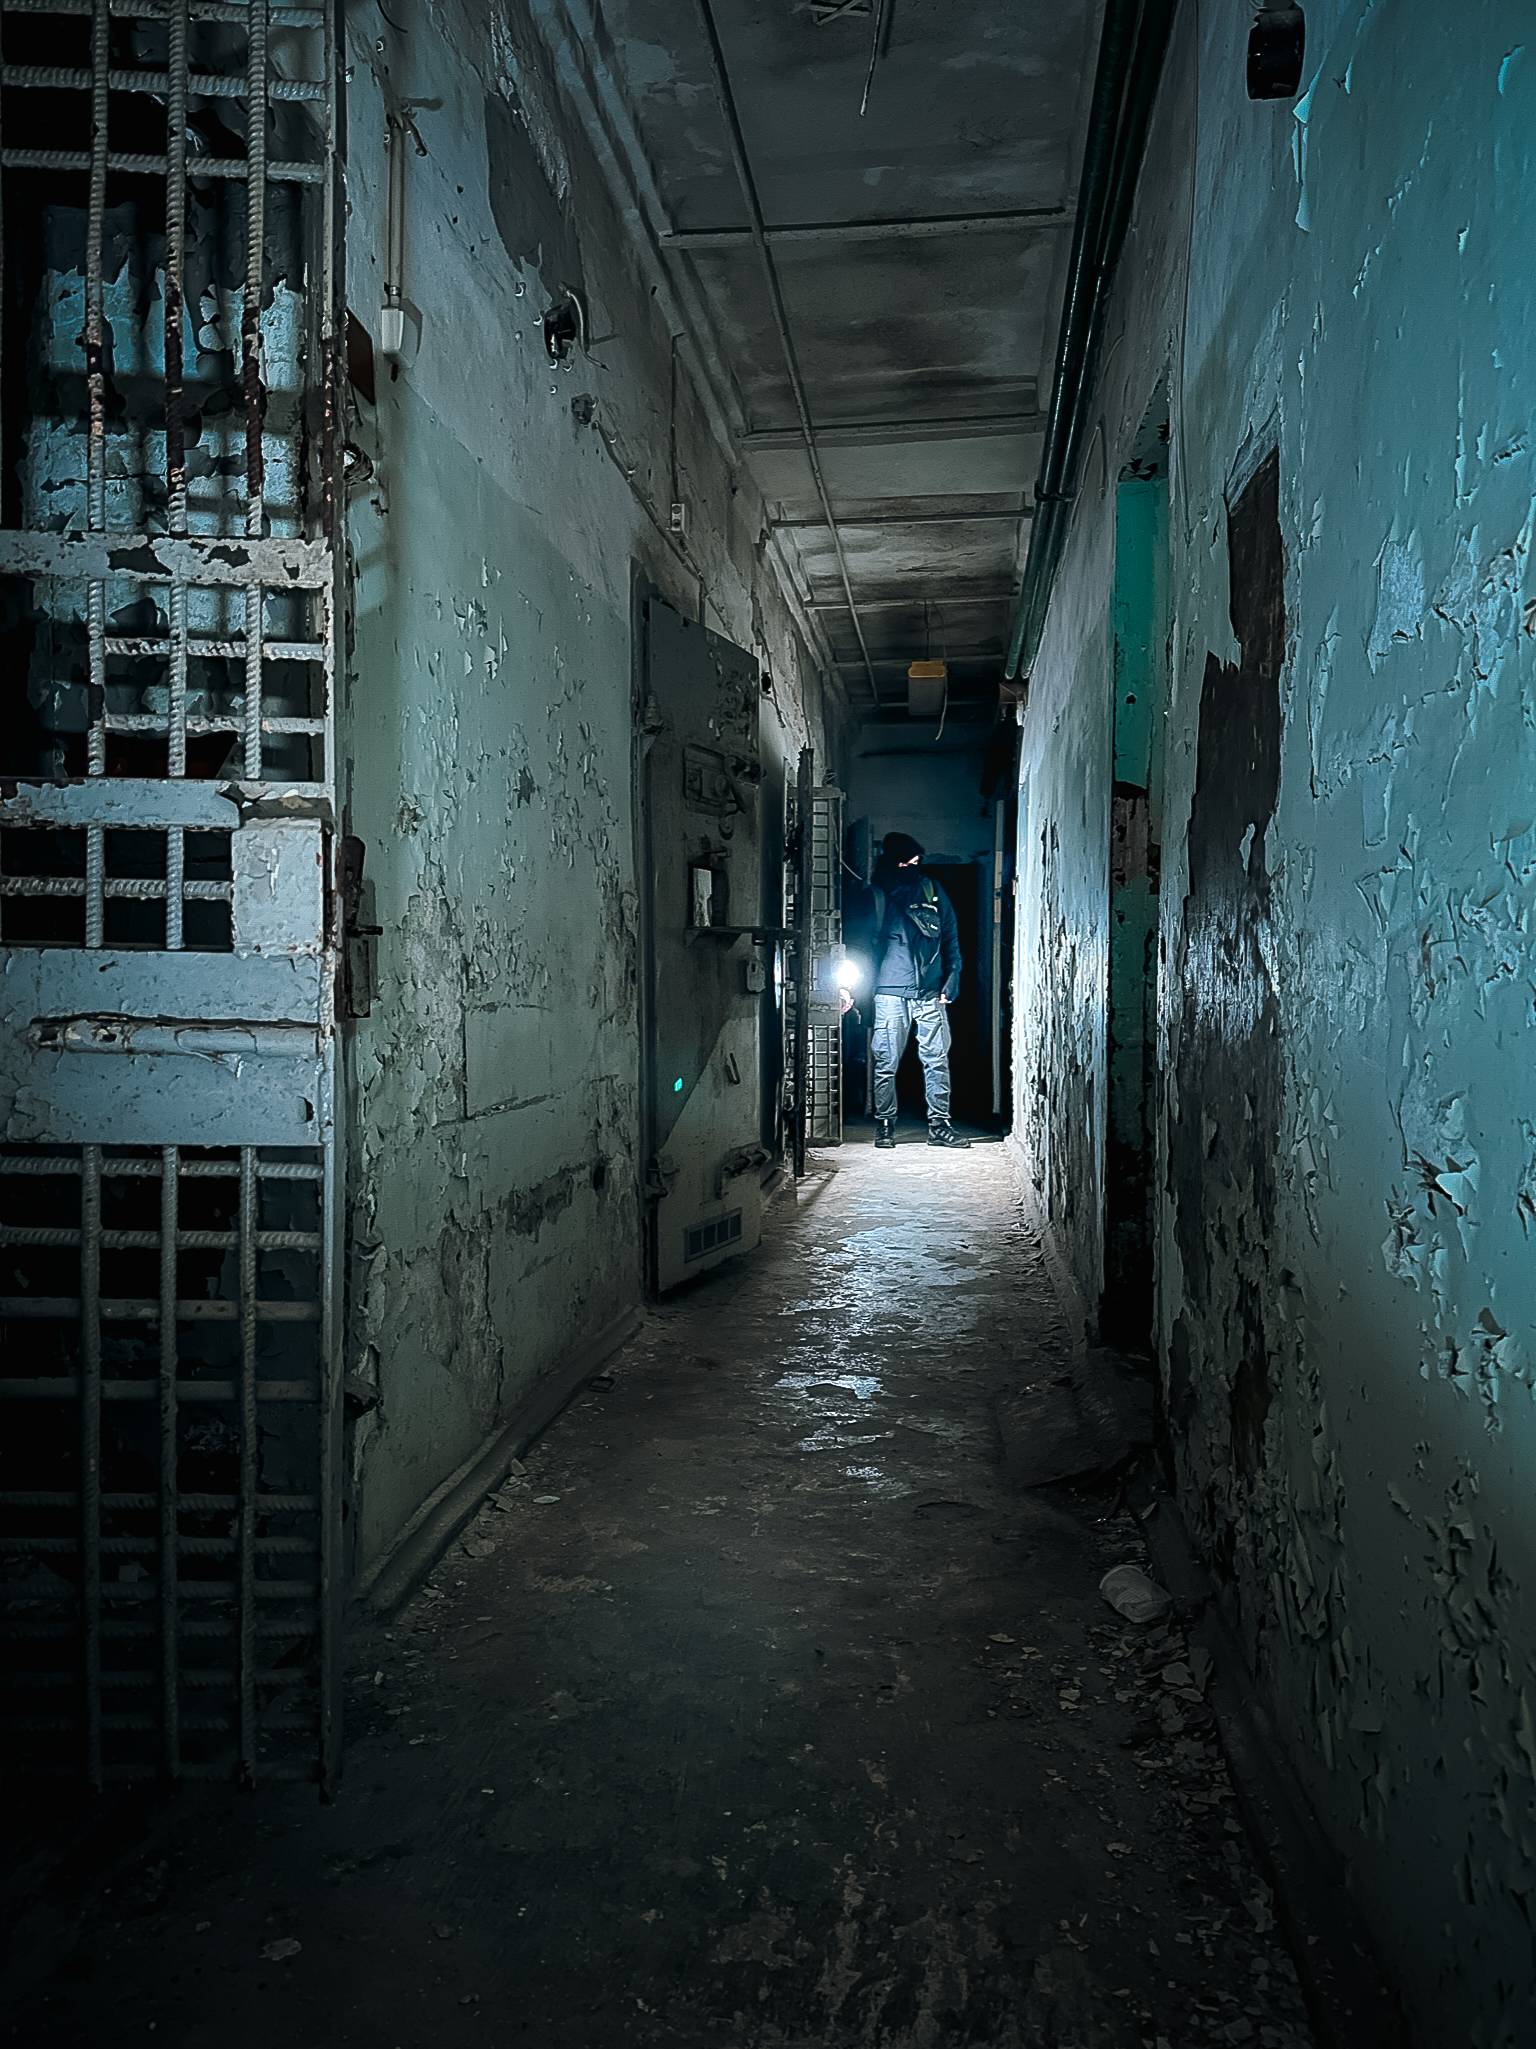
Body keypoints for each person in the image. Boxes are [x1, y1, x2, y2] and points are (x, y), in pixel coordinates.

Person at [867, 832, 970, 1150]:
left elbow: (951, 936)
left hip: (930, 992)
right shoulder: (877, 895)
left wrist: (953, 977)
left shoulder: (932, 889)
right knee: (886, 1061)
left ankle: (940, 1125)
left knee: (936, 1060)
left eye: (916, 861)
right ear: (891, 862)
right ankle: (885, 1126)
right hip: (890, 992)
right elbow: (861, 944)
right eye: (904, 862)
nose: (912, 866)